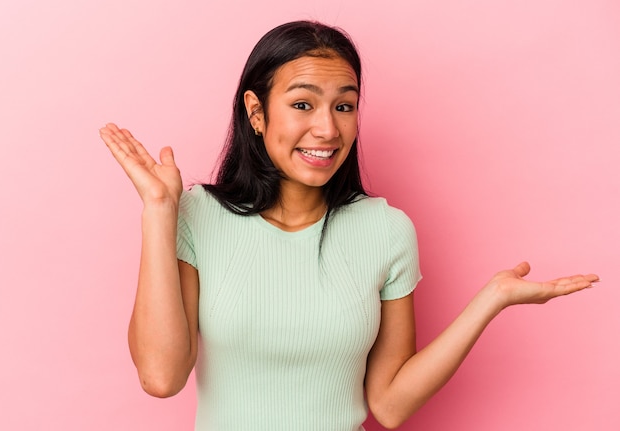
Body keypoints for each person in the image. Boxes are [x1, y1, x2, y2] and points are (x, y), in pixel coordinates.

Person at [99, 20, 598, 431]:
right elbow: (161, 376)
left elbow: (390, 404)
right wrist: (159, 211)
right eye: (302, 104)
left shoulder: (385, 231)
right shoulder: (199, 215)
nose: (327, 129)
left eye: (344, 105)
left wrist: (490, 300)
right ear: (256, 111)